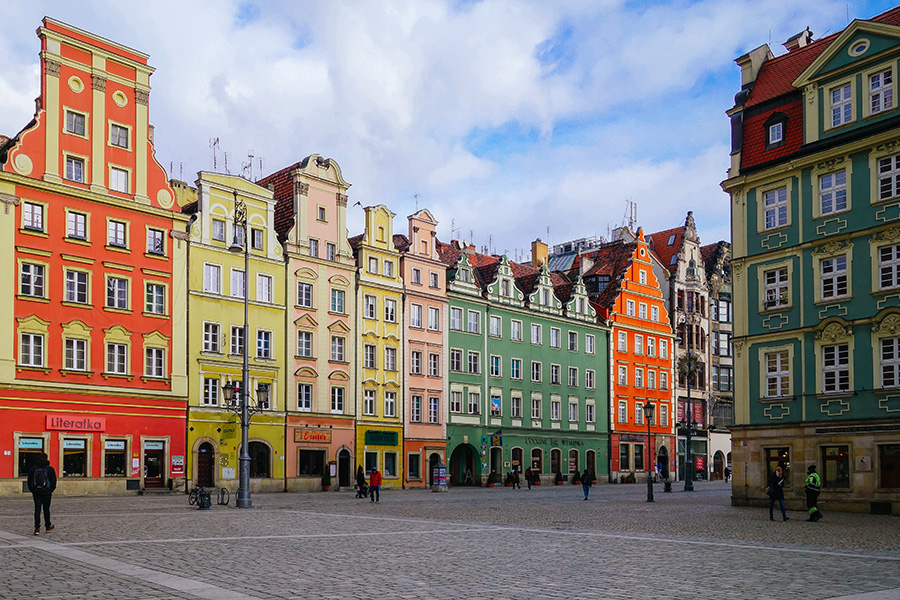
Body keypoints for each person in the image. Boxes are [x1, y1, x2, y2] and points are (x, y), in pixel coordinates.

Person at [27, 452, 56, 535]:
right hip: (46, 492)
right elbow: (53, 481)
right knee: (46, 509)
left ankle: (37, 528)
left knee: (37, 510)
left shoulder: (33, 469)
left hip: (36, 492)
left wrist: (33, 490)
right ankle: (47, 525)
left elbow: (29, 481)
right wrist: (50, 490)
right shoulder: (50, 469)